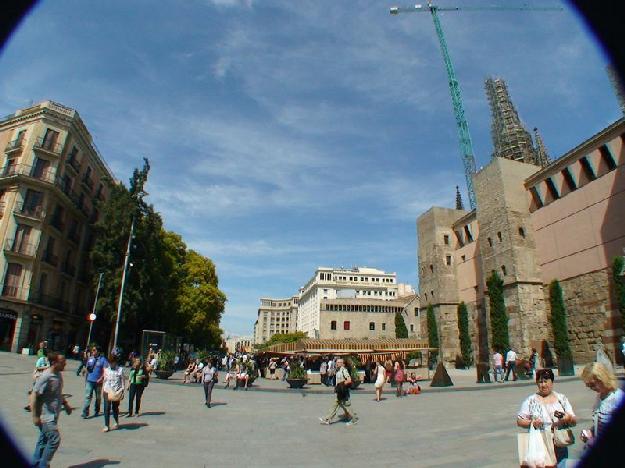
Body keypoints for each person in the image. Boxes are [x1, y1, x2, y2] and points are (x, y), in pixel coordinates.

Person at [517, 368, 576, 465]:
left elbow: (574, 421)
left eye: (546, 381)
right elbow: (519, 421)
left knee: (561, 464)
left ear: (552, 382)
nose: (543, 385)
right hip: (540, 443)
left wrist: (568, 418)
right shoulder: (531, 400)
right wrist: (532, 423)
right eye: (540, 382)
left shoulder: (561, 399)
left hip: (559, 442)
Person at [30, 352, 72, 468]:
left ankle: (35, 463)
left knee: (43, 441)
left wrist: (66, 404)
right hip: (46, 416)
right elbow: (34, 395)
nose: (65, 364)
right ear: (54, 363)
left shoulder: (58, 374)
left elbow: (57, 392)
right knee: (54, 439)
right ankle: (44, 464)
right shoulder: (46, 376)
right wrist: (35, 416)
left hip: (53, 414)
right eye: (62, 362)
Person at [580, 362, 625, 446]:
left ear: (602, 379)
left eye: (592, 384)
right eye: (588, 386)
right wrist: (591, 432)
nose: (591, 388)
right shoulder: (600, 396)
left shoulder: (618, 398)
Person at [319, 358, 358, 426]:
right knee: (336, 405)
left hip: (343, 392)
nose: (337, 363)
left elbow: (349, 380)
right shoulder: (338, 370)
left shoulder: (344, 370)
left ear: (342, 363)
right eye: (337, 362)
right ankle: (327, 419)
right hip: (340, 391)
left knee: (346, 406)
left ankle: (354, 419)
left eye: (339, 362)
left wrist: (341, 385)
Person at [81, 345, 108, 418]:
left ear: (98, 351)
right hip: (90, 380)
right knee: (88, 396)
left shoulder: (103, 360)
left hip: (98, 382)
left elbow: (105, 371)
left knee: (98, 397)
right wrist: (85, 373)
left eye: (94, 350)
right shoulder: (90, 358)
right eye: (92, 350)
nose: (92, 351)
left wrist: (101, 378)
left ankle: (97, 410)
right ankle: (85, 412)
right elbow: (87, 367)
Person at [102, 353, 124, 432]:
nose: (111, 364)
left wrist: (122, 390)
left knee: (115, 407)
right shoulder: (106, 370)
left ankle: (116, 421)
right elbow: (105, 380)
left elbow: (122, 380)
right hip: (107, 390)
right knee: (106, 408)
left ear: (115, 362)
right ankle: (106, 425)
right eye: (109, 362)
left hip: (116, 391)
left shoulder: (120, 370)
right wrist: (102, 390)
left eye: (112, 362)